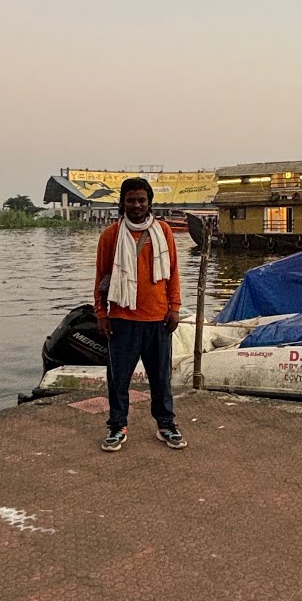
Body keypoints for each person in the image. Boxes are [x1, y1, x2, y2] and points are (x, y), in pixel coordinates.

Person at [93, 177, 186, 452]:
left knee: (161, 378)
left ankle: (166, 425)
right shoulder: (110, 235)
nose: (136, 205)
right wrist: (101, 313)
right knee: (118, 378)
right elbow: (101, 276)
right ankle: (117, 426)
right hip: (122, 319)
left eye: (141, 200)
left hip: (158, 318)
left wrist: (175, 308)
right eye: (130, 200)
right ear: (122, 202)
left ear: (149, 202)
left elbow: (173, 273)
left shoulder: (164, 231)